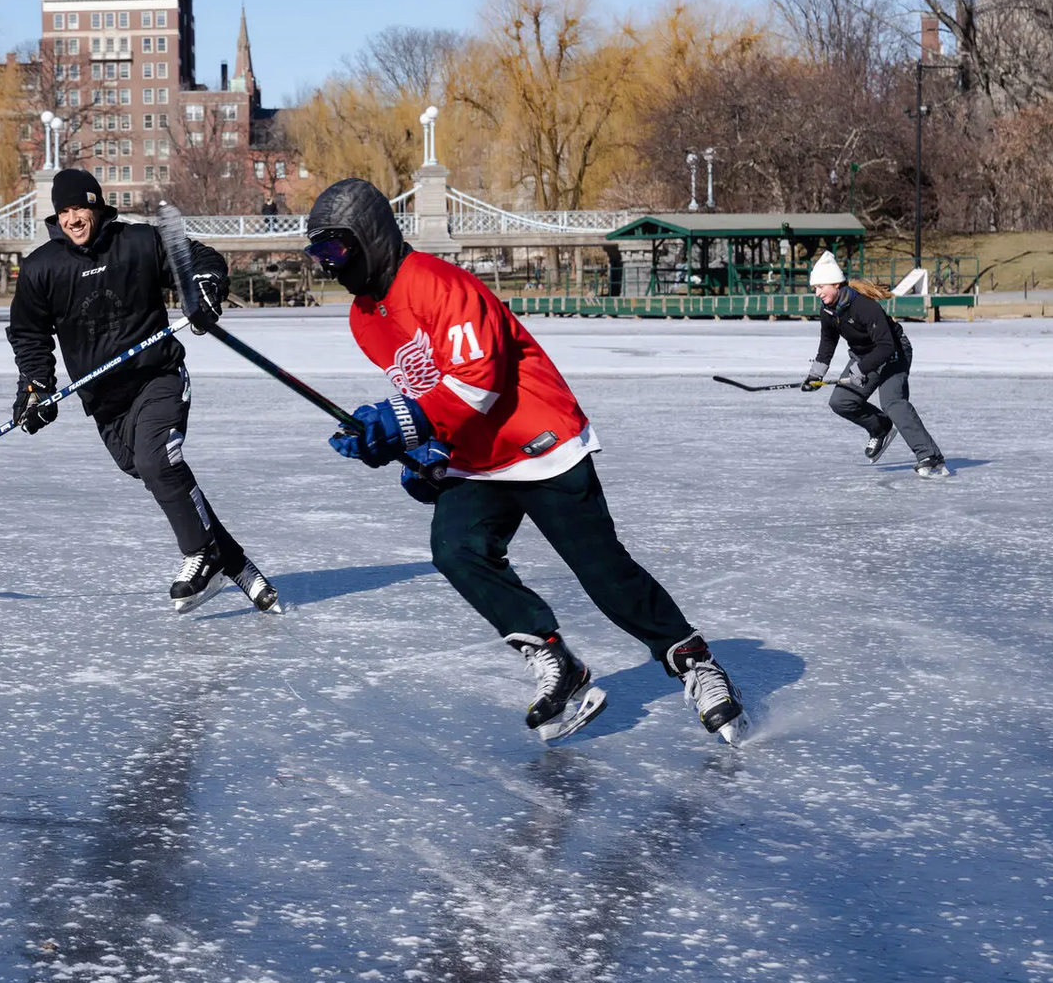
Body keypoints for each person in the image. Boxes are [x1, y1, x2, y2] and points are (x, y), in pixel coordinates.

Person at [304, 178, 746, 744]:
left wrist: (401, 423)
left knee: (604, 573)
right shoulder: (366, 317)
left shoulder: (440, 285)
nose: (329, 265)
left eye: (335, 250)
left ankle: (693, 659)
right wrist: (411, 450)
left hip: (539, 441)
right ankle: (555, 658)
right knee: (457, 549)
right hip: (477, 458)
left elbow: (475, 386)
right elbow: (426, 388)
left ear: (369, 237)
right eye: (318, 255)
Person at [8, 168, 280, 614]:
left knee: (159, 461)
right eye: (65, 211)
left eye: (80, 208)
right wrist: (36, 386)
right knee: (157, 474)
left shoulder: (137, 242)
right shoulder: (41, 268)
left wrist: (206, 285)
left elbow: (199, 260)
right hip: (104, 401)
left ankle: (200, 555)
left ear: (96, 207)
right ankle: (231, 561)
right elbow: (29, 334)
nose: (73, 219)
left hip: (157, 378)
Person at [801, 251, 948, 478]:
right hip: (864, 355)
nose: (817, 293)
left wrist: (861, 369)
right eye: (815, 288)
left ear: (836, 284)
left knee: (893, 402)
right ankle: (880, 428)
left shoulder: (864, 307)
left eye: (820, 287)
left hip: (894, 353)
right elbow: (827, 343)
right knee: (841, 402)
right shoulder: (828, 310)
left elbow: (886, 346)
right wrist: (815, 375)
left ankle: (930, 455)